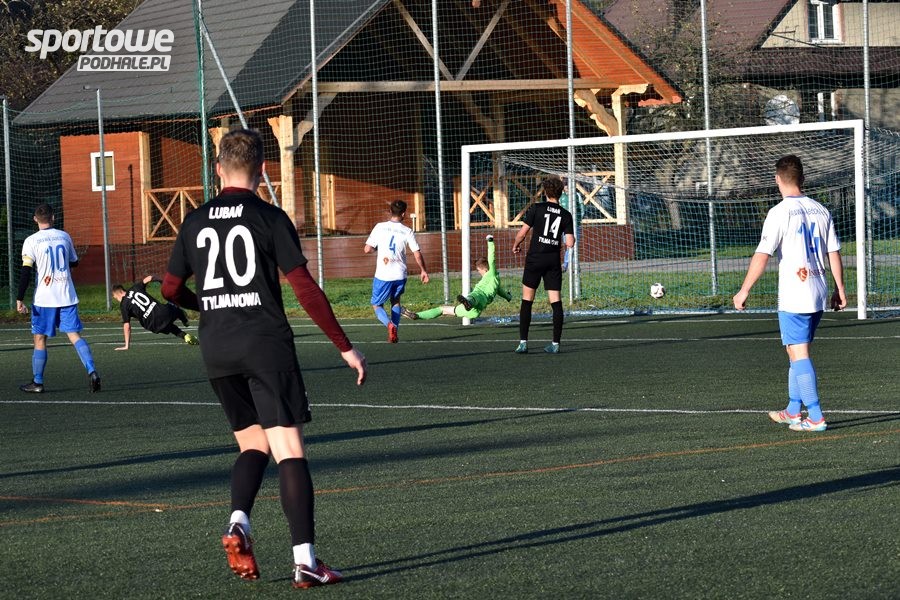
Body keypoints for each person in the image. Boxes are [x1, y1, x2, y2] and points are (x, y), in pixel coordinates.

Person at [161, 129, 367, 589]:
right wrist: (345, 346)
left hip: (217, 348)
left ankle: (238, 521)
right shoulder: (270, 217)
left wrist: (207, 305)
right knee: (289, 450)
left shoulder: (193, 220)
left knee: (253, 445)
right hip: (264, 344)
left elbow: (170, 289)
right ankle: (305, 562)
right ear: (263, 170)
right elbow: (305, 289)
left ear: (217, 169)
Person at [733, 154, 846, 432]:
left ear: (777, 179)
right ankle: (793, 410)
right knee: (794, 351)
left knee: (799, 352)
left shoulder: (779, 212)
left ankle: (816, 416)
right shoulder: (821, 210)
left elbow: (763, 254)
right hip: (818, 291)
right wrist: (840, 289)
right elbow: (833, 252)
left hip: (795, 294)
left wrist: (744, 290)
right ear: (802, 179)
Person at [16, 203, 100, 393]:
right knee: (74, 335)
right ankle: (92, 371)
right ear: (53, 217)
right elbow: (74, 262)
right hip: (66, 296)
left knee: (39, 339)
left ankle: (37, 382)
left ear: (35, 219)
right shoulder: (64, 236)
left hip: (44, 299)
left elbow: (26, 272)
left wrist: (20, 298)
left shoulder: (31, 240)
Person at [512, 175, 575, 354]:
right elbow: (570, 242)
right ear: (561, 193)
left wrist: (516, 245)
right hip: (552, 261)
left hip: (535, 259)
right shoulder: (566, 215)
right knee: (556, 302)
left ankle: (523, 343)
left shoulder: (537, 208)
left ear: (545, 192)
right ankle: (555, 344)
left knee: (527, 301)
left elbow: (522, 233)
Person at [364, 199, 429, 343]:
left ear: (390, 211)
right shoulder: (407, 231)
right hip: (400, 274)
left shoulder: (380, 227)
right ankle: (394, 333)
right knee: (396, 302)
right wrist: (423, 270)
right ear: (404, 214)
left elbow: (367, 249)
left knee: (377, 304)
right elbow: (417, 253)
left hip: (383, 274)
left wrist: (377, 248)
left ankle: (389, 325)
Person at [406, 235, 512, 321]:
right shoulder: (496, 281)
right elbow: (501, 292)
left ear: (484, 269)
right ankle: (417, 315)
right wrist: (508, 297)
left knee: (474, 296)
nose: (479, 272)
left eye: (478, 270)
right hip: (476, 311)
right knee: (443, 309)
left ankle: (468, 302)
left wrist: (490, 241)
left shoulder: (491, 273)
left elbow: (491, 258)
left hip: (478, 298)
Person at [112, 275, 198, 349]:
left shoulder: (123, 305)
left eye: (115, 297)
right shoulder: (135, 288)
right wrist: (162, 281)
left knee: (170, 327)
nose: (116, 299)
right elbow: (150, 277)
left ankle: (185, 336)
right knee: (173, 304)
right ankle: (183, 318)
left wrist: (126, 345)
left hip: (153, 325)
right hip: (164, 313)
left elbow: (127, 325)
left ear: (116, 294)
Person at [559, 177, 583, 273]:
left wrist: (578, 220)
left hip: (575, 224)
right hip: (565, 226)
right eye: (565, 185)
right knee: (569, 245)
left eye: (569, 185)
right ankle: (575, 265)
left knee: (573, 245)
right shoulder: (560, 197)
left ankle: (566, 265)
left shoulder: (577, 195)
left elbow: (582, 209)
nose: (567, 187)